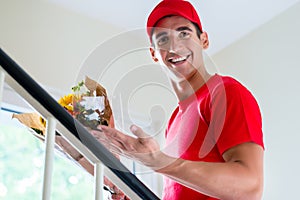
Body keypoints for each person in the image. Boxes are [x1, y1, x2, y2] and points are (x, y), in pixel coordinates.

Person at [92, 0, 264, 199]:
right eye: (163, 39)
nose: (174, 46)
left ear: (204, 40)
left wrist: (159, 162)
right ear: (154, 54)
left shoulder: (225, 92)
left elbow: (250, 187)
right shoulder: (174, 120)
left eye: (184, 33)